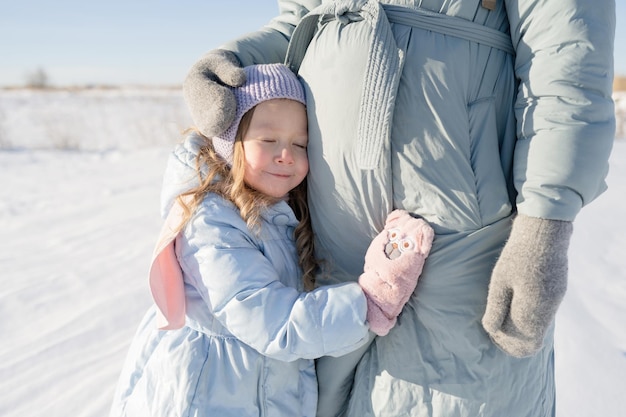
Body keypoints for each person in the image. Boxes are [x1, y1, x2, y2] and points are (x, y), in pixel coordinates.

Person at [182, 1, 616, 416]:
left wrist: (546, 217)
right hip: (330, 214)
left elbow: (566, 45)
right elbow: (300, 20)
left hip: (454, 217)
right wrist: (232, 62)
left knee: (458, 394)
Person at [109, 63, 434, 417]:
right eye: (268, 140)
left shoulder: (280, 211)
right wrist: (368, 301)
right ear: (230, 141)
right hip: (205, 394)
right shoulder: (210, 221)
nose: (287, 155)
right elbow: (270, 321)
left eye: (300, 143)